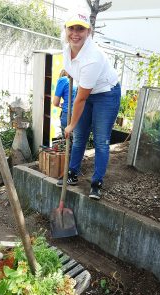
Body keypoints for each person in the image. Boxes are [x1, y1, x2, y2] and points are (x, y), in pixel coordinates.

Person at [56, 11, 121, 200]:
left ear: (88, 32)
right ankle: (72, 173)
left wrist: (71, 124)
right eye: (72, 28)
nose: (75, 33)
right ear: (66, 30)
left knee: (101, 140)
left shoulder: (93, 57)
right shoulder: (67, 49)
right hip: (86, 91)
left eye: (80, 29)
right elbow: (73, 72)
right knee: (80, 137)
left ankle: (97, 182)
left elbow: (81, 99)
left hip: (106, 94)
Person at [53, 69, 77, 138]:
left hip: (68, 114)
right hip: (80, 113)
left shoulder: (63, 80)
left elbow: (55, 102)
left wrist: (60, 105)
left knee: (67, 141)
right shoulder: (77, 80)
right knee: (77, 141)